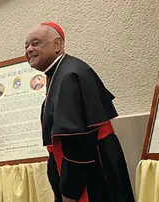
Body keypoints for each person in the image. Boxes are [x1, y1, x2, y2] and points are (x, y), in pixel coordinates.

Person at [25, 22, 135, 202]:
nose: (29, 49)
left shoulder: (69, 75)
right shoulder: (60, 72)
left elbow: (78, 142)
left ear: (57, 45)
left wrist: (71, 190)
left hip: (90, 175)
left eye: (35, 43)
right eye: (26, 46)